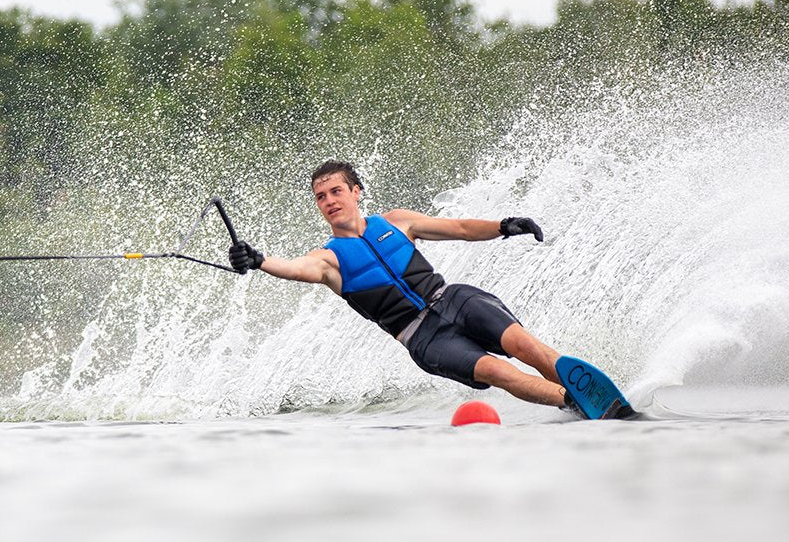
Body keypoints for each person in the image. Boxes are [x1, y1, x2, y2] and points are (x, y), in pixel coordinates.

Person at [227, 160, 579, 411]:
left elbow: (459, 229)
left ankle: (583, 385)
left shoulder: (396, 222)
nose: (330, 201)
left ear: (355, 191)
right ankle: (573, 402)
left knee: (523, 344)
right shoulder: (328, 258)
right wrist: (259, 260)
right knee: (496, 370)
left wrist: (504, 225)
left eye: (336, 191)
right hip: (424, 337)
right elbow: (294, 268)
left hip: (453, 299)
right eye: (321, 197)